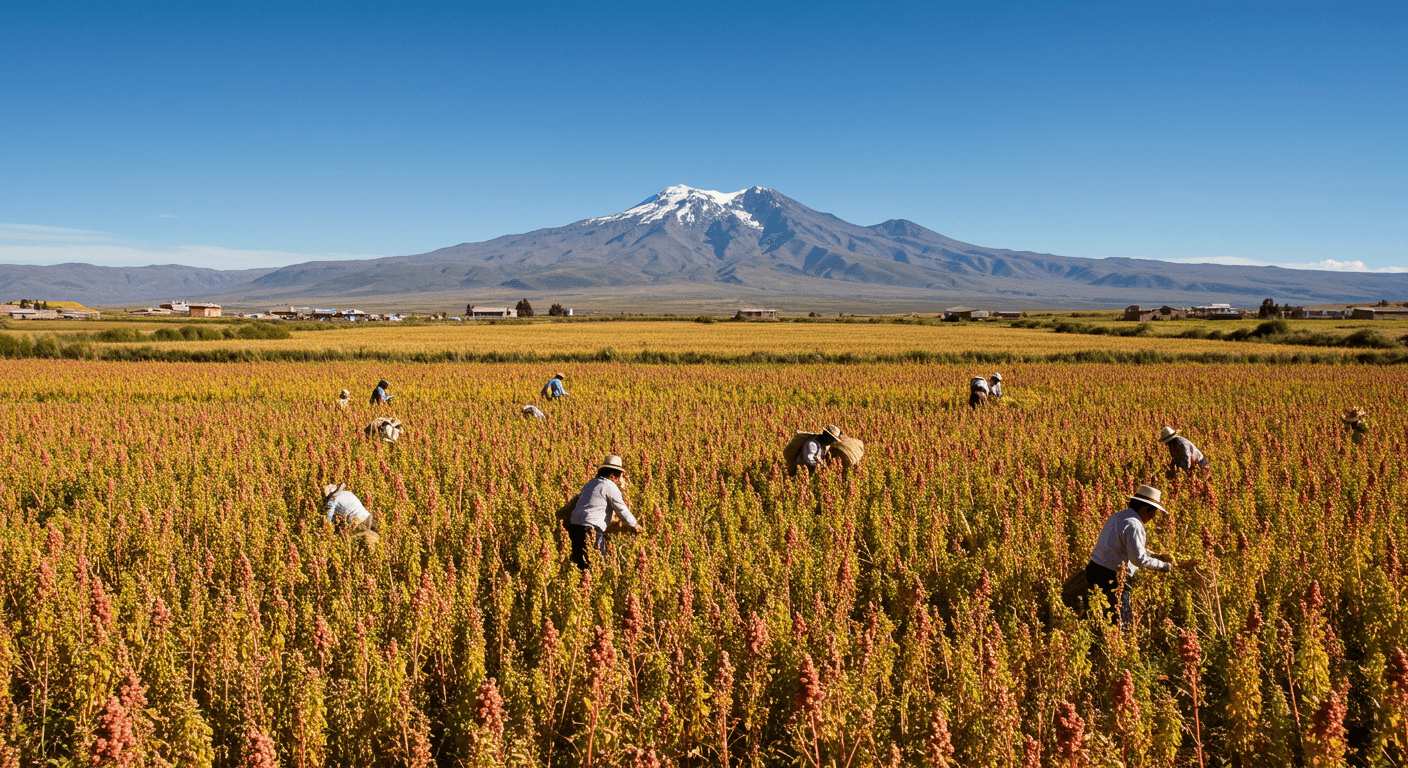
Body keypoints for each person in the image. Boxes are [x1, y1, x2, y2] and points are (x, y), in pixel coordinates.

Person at [1086, 485, 1197, 627]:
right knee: (1121, 622)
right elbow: (1138, 559)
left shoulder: (1118, 516)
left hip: (1094, 570)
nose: (1153, 517)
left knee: (1098, 615)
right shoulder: (1134, 525)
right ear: (1145, 509)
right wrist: (1164, 566)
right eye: (1154, 513)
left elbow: (1124, 545)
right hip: (1111, 577)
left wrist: (1156, 555)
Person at [566, 455, 639, 570]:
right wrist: (635, 525)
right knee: (598, 566)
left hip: (574, 528)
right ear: (614, 475)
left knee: (579, 567)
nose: (621, 479)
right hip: (591, 529)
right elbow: (622, 509)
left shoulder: (590, 483)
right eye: (620, 475)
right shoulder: (609, 486)